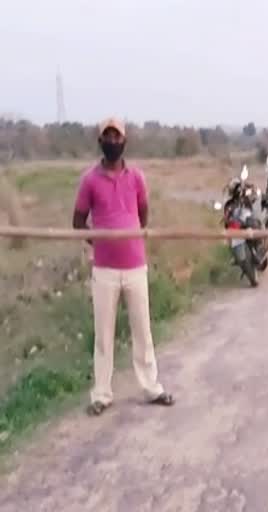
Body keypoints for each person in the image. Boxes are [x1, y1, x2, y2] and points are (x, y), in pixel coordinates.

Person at [72, 118, 174, 416]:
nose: (112, 141)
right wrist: (101, 243)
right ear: (100, 141)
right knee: (103, 334)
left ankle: (151, 387)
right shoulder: (90, 180)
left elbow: (143, 215)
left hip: (134, 267)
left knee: (142, 330)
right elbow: (78, 223)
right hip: (104, 270)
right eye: (107, 136)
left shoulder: (136, 178)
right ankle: (101, 395)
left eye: (117, 136)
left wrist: (127, 239)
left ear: (124, 141)